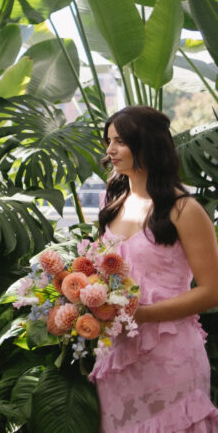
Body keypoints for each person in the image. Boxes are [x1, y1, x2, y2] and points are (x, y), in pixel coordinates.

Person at [89, 106, 218, 431]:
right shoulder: (113, 202)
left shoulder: (184, 209)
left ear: (147, 144)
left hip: (171, 360)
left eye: (120, 141)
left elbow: (212, 291)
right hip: (117, 358)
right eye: (109, 141)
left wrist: (142, 314)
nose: (110, 150)